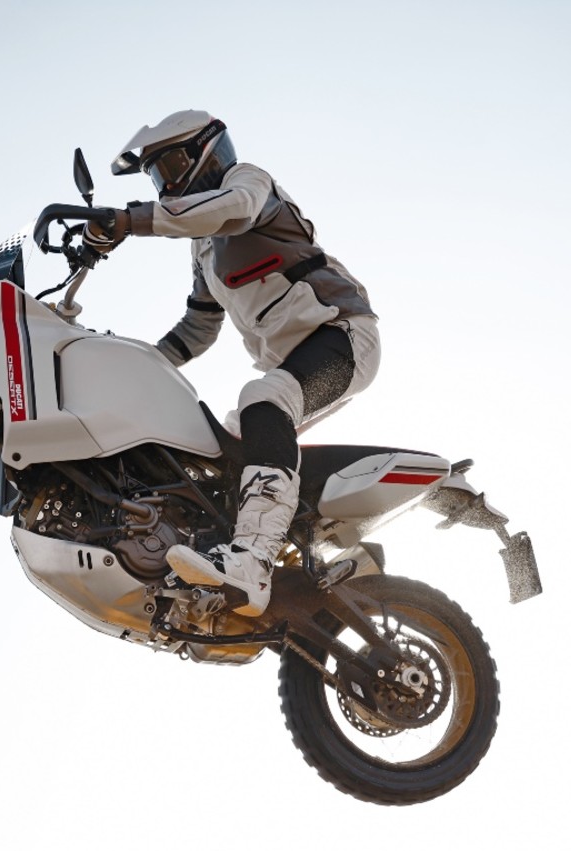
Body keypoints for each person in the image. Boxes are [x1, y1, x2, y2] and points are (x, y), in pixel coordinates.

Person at [84, 110, 380, 616]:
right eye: (158, 176)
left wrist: (131, 220)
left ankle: (253, 562)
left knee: (263, 399)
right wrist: (136, 366)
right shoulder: (203, 246)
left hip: (342, 335)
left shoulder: (248, 184)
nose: (168, 184)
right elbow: (199, 327)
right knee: (223, 447)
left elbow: (235, 207)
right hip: (293, 362)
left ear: (209, 150)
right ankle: (277, 557)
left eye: (173, 165)